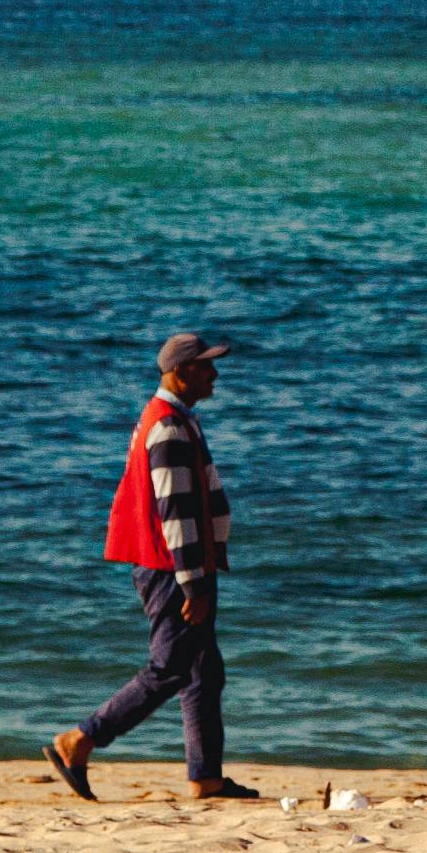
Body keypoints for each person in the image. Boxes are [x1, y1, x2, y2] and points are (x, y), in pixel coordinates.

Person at [49, 332, 259, 802]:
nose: (215, 374)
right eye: (205, 366)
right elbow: (175, 511)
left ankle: (206, 776)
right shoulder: (166, 426)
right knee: (169, 668)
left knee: (205, 670)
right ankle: (79, 740)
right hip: (172, 568)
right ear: (179, 372)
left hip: (180, 565)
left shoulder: (176, 420)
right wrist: (194, 584)